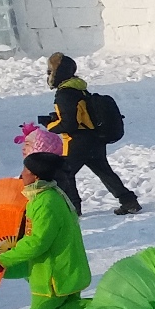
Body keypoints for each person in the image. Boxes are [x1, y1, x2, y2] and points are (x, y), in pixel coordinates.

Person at [0, 153, 101, 309]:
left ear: (36, 176)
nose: (21, 175)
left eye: (25, 171)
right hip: (65, 269)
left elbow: (38, 243)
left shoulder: (45, 202)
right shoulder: (50, 195)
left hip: (53, 275)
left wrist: (3, 259)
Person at [37, 53, 140, 216]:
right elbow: (79, 114)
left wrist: (49, 125)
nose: (48, 75)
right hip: (95, 138)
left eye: (50, 71)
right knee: (104, 172)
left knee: (65, 174)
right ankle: (129, 201)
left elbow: (69, 124)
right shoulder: (80, 89)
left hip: (78, 141)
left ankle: (73, 209)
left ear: (58, 73)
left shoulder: (64, 94)